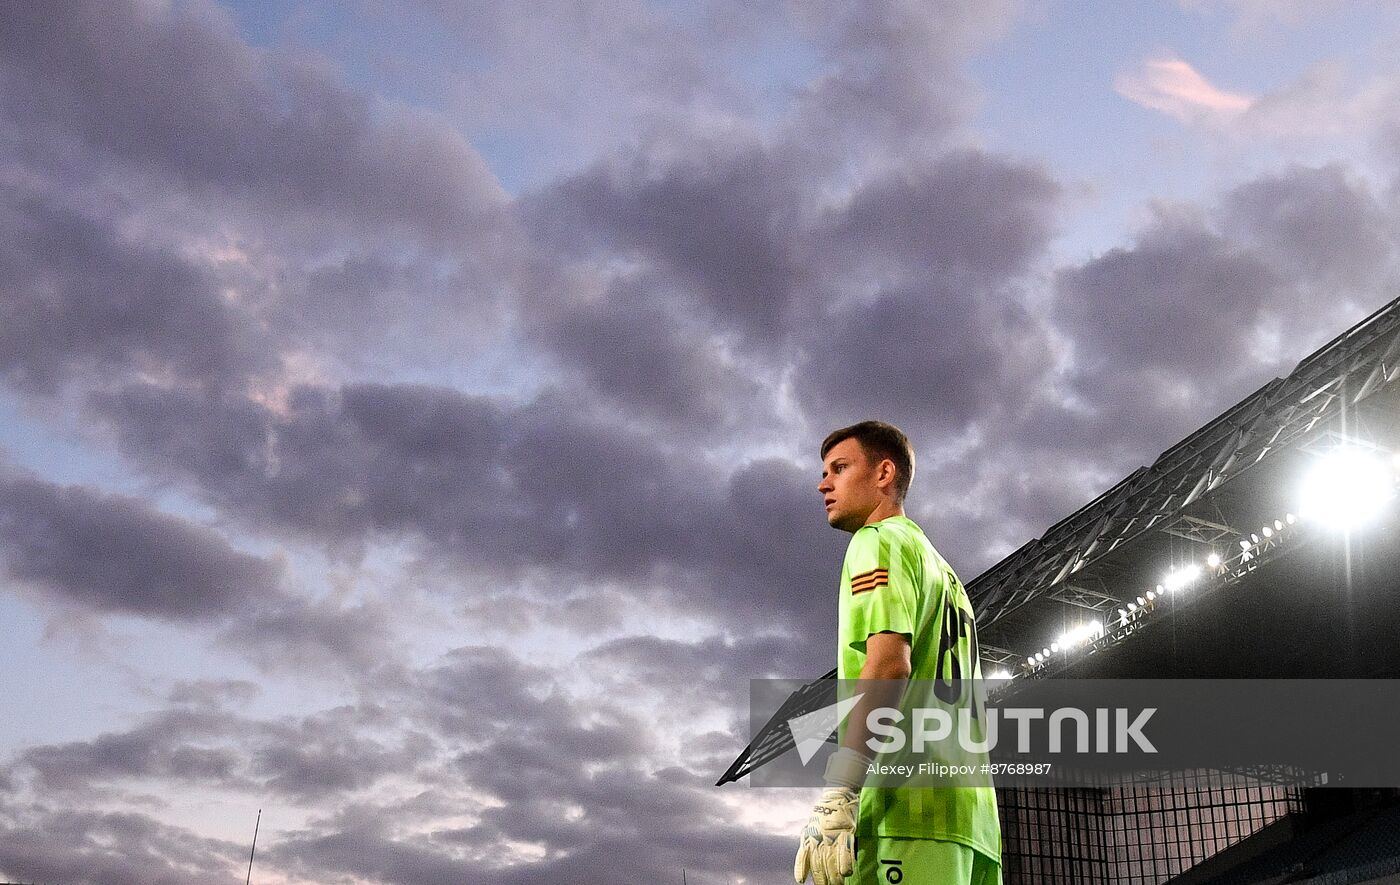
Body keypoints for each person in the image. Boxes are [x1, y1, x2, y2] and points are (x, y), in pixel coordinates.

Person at [794, 420, 1001, 884]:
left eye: (839, 468)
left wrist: (841, 789)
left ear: (884, 473)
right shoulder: (945, 574)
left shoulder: (878, 542)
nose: (823, 483)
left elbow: (889, 666)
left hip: (906, 809)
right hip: (973, 819)